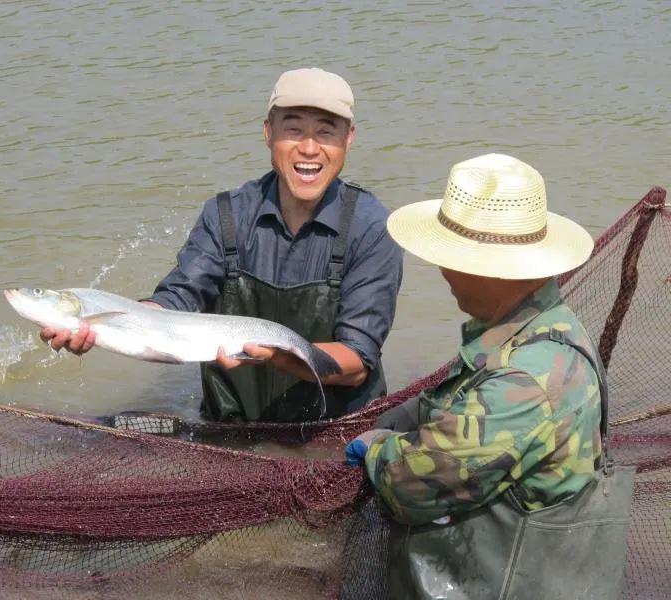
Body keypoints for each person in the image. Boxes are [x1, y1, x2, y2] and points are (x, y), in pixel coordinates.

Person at [345, 153, 634, 599]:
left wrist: (377, 447)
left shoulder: (530, 380)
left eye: (451, 258)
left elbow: (411, 484)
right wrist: (411, 415)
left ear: (497, 269)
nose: (442, 271)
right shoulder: (533, 329)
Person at [43, 68, 403, 422]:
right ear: (268, 132)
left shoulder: (371, 228)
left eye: (326, 132)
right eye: (293, 129)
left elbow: (356, 362)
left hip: (336, 427)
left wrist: (277, 355)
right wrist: (109, 327)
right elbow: (177, 300)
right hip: (232, 426)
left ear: (349, 138)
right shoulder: (226, 215)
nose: (309, 148)